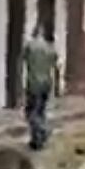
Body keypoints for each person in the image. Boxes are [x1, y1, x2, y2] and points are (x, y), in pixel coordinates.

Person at [21, 23, 59, 151]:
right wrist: (57, 87)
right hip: (47, 83)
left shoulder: (30, 46)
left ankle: (43, 131)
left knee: (31, 112)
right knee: (41, 111)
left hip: (34, 83)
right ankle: (37, 140)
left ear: (33, 32)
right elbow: (56, 65)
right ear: (42, 33)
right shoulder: (50, 48)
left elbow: (23, 60)